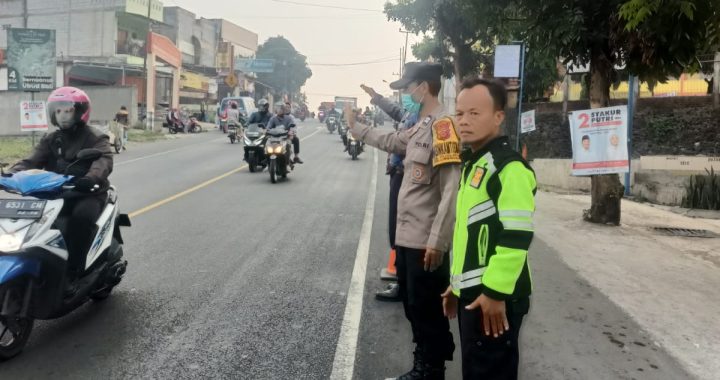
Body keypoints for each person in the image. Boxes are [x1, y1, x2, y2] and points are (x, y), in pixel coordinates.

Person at [347, 62, 460, 380]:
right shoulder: (423, 123)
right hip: (409, 236)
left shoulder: (444, 126)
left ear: (424, 87)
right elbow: (394, 142)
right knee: (413, 305)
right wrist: (358, 129)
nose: (407, 93)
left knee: (425, 309)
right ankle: (424, 363)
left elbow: (451, 188)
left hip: (426, 239)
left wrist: (438, 239)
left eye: (410, 87)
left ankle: (431, 369)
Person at [441, 78, 536, 380]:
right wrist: (456, 286)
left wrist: (495, 292)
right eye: (459, 114)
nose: (464, 121)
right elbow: (469, 234)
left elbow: (517, 236)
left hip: (495, 298)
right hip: (474, 294)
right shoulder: (475, 163)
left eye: (474, 113)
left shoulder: (509, 169)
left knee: (489, 372)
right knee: (476, 369)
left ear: (498, 117)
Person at [10, 87, 113, 294]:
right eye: (58, 111)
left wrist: (90, 178)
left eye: (67, 111)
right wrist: (11, 174)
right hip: (54, 193)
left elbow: (103, 161)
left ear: (79, 112)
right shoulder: (50, 139)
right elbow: (31, 161)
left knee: (80, 219)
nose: (63, 116)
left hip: (87, 193)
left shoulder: (95, 137)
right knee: (26, 221)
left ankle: (75, 271)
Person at [361, 83, 419, 302]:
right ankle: (404, 282)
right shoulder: (412, 113)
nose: (406, 93)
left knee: (401, 230)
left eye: (409, 87)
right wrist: (376, 97)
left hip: (406, 176)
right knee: (397, 229)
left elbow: (395, 142)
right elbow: (396, 111)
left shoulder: (424, 119)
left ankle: (404, 286)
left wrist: (360, 130)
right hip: (398, 174)